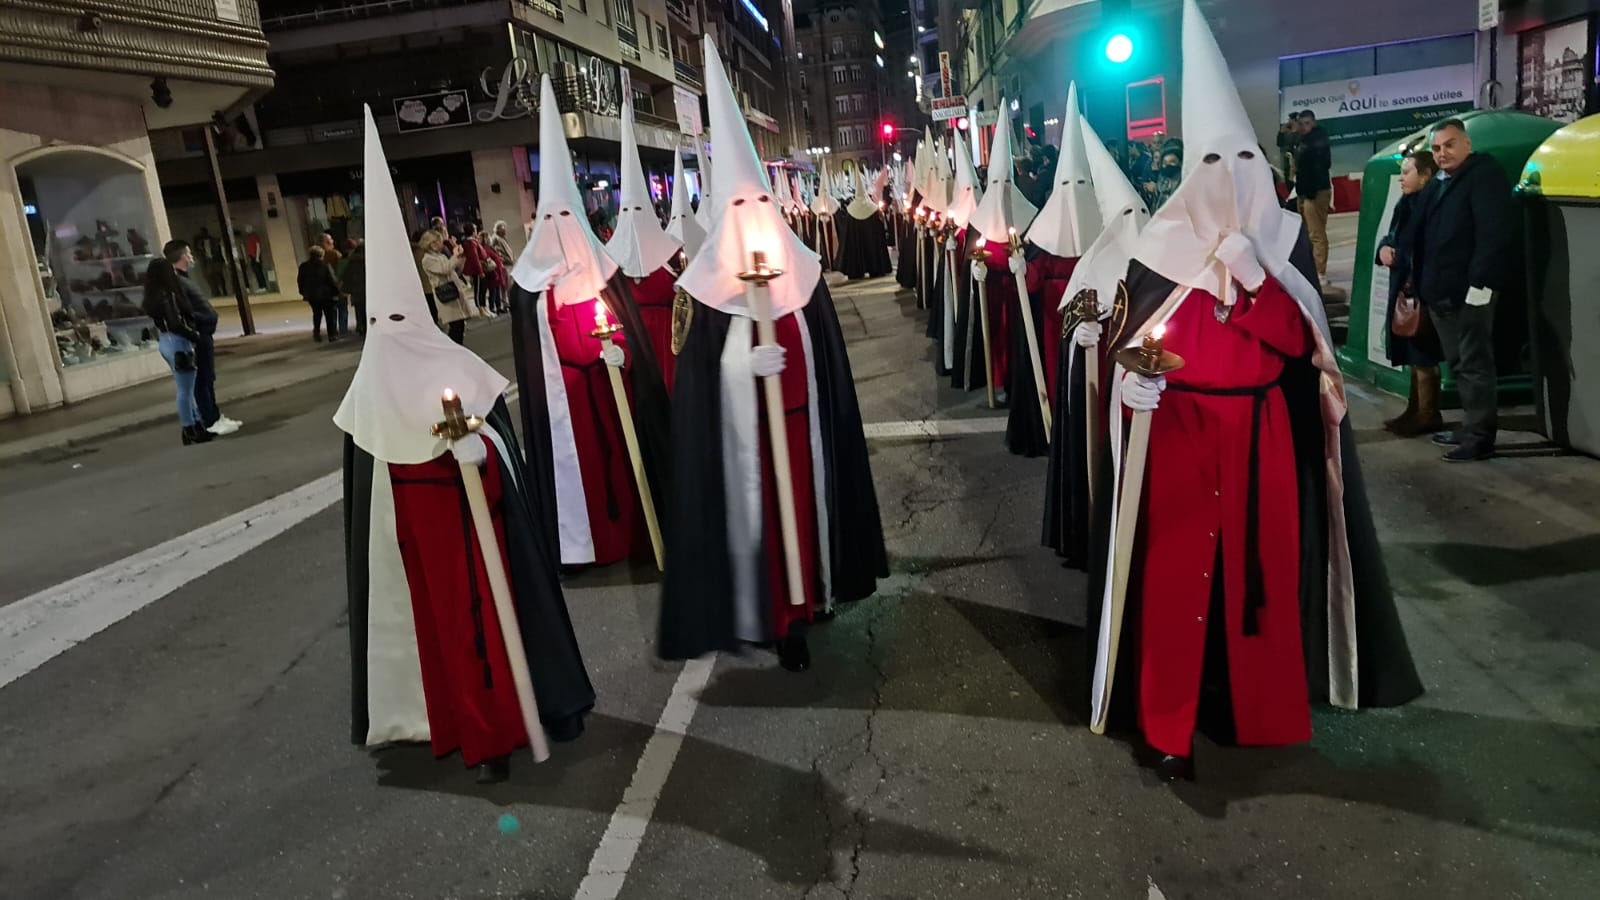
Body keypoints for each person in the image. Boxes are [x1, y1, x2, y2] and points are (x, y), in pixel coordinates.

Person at [1087, 0, 1422, 783]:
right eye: (1210, 163)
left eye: (1241, 161)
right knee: (1174, 576)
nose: (1227, 180)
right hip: (1178, 433)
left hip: (1265, 431)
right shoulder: (1158, 250)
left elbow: (1307, 348)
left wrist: (1253, 277)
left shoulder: (1284, 241)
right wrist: (1131, 387)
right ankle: (1167, 723)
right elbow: (1127, 348)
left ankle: (1259, 710)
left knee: (1260, 575)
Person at [338, 106, 593, 784]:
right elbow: (369, 510)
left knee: (495, 629)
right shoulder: (365, 395)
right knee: (445, 638)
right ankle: (457, 727)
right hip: (420, 550)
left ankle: (516, 721)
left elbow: (501, 452)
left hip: (477, 533)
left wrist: (482, 458)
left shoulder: (457, 371)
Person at [660, 36, 886, 674]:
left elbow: (828, 363)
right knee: (756, 527)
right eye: (739, 204)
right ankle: (764, 616)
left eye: (760, 200)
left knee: (806, 520)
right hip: (741, 441)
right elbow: (693, 389)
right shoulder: (699, 291)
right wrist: (739, 367)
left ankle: (805, 604)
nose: (753, 214)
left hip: (801, 428)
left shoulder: (805, 274)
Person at [506, 74, 673, 570]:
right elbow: (534, 349)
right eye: (549, 221)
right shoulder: (527, 288)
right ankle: (577, 549)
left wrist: (621, 354)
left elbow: (630, 333)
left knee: (623, 467)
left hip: (608, 390)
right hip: (563, 408)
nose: (558, 234)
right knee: (574, 476)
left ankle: (634, 539)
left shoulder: (607, 276)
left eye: (567, 221)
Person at [1415, 118, 1512, 462]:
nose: (1442, 154)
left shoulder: (1483, 176)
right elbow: (1418, 225)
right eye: (1436, 149)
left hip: (1470, 292)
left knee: (1474, 363)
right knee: (1459, 363)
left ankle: (1480, 436)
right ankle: (1470, 425)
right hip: (1440, 292)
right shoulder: (1440, 183)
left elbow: (1493, 233)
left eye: (1449, 145)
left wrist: (1481, 285)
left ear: (1467, 144)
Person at [1012, 82, 1098, 458]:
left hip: (1095, 308)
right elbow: (1035, 277)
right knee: (1054, 365)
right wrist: (1020, 269)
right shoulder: (1048, 234)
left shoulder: (1102, 224)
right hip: (1053, 310)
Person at [606, 92, 685, 390]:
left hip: (669, 345)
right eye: (627, 210)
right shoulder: (611, 265)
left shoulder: (671, 255)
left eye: (637, 209)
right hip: (632, 348)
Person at [1376, 150, 1443, 436]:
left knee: (1423, 350)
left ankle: (1428, 413)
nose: (1401, 178)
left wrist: (1399, 255)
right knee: (1412, 349)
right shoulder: (1405, 204)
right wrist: (1383, 250)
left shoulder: (1433, 207)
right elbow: (1392, 237)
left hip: (1422, 289)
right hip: (1405, 288)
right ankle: (1415, 410)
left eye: (1407, 172)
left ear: (1425, 176)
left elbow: (1425, 249)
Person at [164, 239, 241, 436]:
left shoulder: (182, 279)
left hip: (202, 334)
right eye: (188, 254)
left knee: (208, 378)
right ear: (182, 256)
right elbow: (183, 312)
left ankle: (213, 415)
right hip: (198, 337)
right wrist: (199, 327)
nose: (191, 257)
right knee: (203, 379)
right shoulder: (176, 282)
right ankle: (210, 420)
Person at [141, 259, 211, 445]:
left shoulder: (152, 296)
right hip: (178, 341)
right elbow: (176, 323)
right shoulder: (168, 295)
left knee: (185, 387)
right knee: (186, 390)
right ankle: (189, 427)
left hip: (165, 341)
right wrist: (195, 336)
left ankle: (195, 425)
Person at [1293, 110, 1333, 287]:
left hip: (1316, 192)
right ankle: (1312, 269)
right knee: (1307, 234)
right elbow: (1283, 141)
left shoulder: (1318, 139)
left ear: (1314, 123)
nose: (1303, 127)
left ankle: (1320, 272)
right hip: (1303, 192)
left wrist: (1310, 191)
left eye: (1307, 123)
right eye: (1301, 124)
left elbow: (1318, 164)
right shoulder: (1301, 141)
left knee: (1316, 234)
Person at [418, 231, 475, 344]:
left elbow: (454, 270)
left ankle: (458, 348)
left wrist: (460, 258)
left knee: (459, 324)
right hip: (446, 293)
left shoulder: (440, 256)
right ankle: (455, 350)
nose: (442, 244)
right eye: (439, 241)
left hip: (453, 290)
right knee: (455, 325)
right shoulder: (427, 259)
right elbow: (445, 269)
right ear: (432, 243)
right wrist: (454, 256)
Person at [298, 245, 343, 342]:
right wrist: (337, 291)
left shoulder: (303, 266)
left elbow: (300, 281)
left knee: (317, 314)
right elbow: (332, 280)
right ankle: (332, 334)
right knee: (330, 315)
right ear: (321, 255)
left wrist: (303, 292)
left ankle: (317, 333)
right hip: (327, 295)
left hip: (312, 295)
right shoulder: (325, 266)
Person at [319, 232, 349, 337]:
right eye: (330, 239)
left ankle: (333, 331)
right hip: (338, 285)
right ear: (326, 242)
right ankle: (343, 330)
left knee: (331, 312)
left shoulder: (319, 257)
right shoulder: (335, 254)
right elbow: (342, 268)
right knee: (342, 308)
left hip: (325, 289)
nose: (332, 241)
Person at [486, 220, 516, 315]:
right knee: (505, 286)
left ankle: (508, 302)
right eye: (503, 228)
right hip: (504, 265)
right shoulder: (496, 239)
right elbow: (496, 252)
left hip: (508, 264)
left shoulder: (502, 238)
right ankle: (506, 304)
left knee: (509, 285)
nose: (505, 230)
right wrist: (503, 260)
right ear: (498, 230)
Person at [343, 240, 368, 338]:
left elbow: (346, 277)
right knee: (368, 310)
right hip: (367, 291)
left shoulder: (351, 263)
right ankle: (366, 328)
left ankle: (362, 328)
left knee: (360, 310)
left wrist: (347, 290)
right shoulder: (368, 262)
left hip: (356, 292)